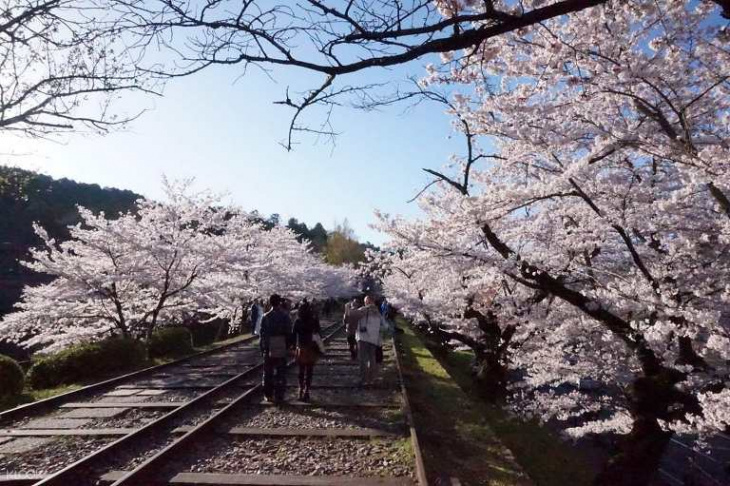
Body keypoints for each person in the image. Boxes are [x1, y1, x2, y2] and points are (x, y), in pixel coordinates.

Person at [259, 294, 294, 403]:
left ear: (270, 302)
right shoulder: (285, 316)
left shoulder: (265, 316)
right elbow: (289, 332)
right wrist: (289, 346)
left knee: (267, 372)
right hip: (281, 345)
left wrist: (263, 348)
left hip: (269, 346)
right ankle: (280, 395)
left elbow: (262, 334)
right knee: (281, 373)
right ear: (279, 302)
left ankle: (268, 394)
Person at [348, 295, 387, 386]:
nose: (366, 303)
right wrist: (376, 330)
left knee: (362, 360)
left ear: (367, 302)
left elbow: (351, 316)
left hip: (362, 338)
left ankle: (364, 379)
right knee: (372, 359)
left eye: (366, 301)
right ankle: (372, 379)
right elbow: (385, 326)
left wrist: (352, 307)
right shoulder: (377, 313)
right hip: (373, 340)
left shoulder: (362, 310)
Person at [293, 301, 322, 402]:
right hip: (311, 348)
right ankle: (307, 391)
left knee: (301, 370)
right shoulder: (313, 320)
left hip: (301, 348)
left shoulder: (298, 321)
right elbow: (319, 332)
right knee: (309, 371)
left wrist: (292, 347)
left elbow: (293, 335)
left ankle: (300, 389)